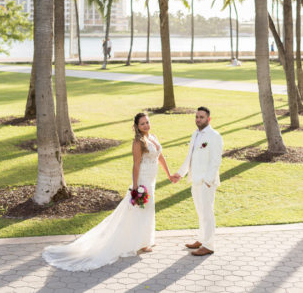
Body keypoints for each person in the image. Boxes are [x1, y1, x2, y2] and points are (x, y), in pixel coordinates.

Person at [42, 113, 175, 271]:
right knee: (139, 209)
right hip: (143, 180)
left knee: (147, 208)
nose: (146, 125)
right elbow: (136, 165)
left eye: (147, 122)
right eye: (142, 124)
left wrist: (169, 174)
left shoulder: (153, 137)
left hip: (152, 179)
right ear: (136, 127)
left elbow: (160, 157)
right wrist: (135, 186)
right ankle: (139, 243)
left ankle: (144, 240)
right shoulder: (138, 142)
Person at [172, 106, 223, 256]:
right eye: (197, 117)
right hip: (195, 180)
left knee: (207, 213)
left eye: (201, 117)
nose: (198, 119)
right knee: (201, 213)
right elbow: (190, 158)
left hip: (207, 182)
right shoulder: (195, 134)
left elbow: (216, 161)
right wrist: (180, 174)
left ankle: (209, 245)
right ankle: (201, 239)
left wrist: (208, 180)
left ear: (209, 119)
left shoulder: (214, 136)